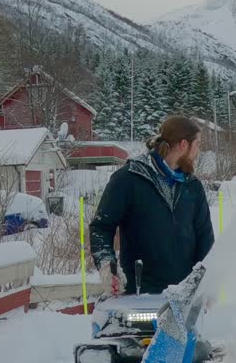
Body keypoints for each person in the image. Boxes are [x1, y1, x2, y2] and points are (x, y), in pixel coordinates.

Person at [90, 115, 215, 296]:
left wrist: (206, 284)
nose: (198, 151)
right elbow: (101, 227)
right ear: (183, 145)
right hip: (139, 294)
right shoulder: (129, 179)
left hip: (183, 296)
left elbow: (205, 239)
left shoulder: (192, 186)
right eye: (197, 144)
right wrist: (107, 266)